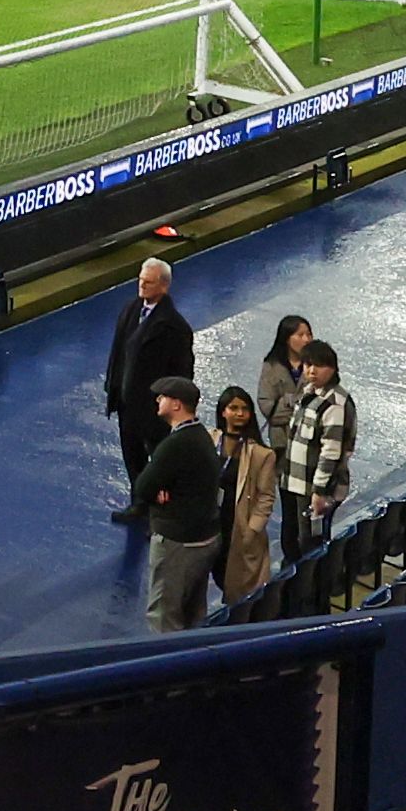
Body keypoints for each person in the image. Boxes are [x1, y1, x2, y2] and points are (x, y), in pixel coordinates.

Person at [102, 259, 199, 520]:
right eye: (141, 279)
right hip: (126, 403)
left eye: (149, 281)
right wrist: (113, 388)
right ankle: (140, 504)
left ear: (164, 287)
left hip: (155, 409)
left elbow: (183, 373)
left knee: (160, 461)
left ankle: (162, 513)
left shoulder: (175, 327)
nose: (142, 284)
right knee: (132, 455)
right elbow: (118, 353)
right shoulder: (130, 309)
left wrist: (172, 405)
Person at [131, 382, 228, 630]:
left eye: (163, 397)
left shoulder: (175, 445)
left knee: (164, 615)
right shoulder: (201, 437)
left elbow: (142, 487)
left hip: (179, 542)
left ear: (177, 405)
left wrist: (159, 489)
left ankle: (169, 666)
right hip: (205, 537)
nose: (157, 400)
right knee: (193, 611)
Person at [276, 339, 359, 564]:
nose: (311, 371)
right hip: (293, 481)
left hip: (312, 489)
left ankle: (310, 595)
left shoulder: (335, 404)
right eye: (307, 365)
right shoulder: (308, 393)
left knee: (310, 546)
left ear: (332, 368)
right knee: (290, 540)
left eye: (318, 365)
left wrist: (319, 491)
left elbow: (330, 452)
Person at [215, 384, 284, 609]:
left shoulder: (261, 454)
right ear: (222, 411)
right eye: (233, 408)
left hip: (238, 526)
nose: (239, 413)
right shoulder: (209, 440)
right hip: (210, 522)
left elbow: (266, 497)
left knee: (236, 586)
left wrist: (252, 529)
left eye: (244, 408)